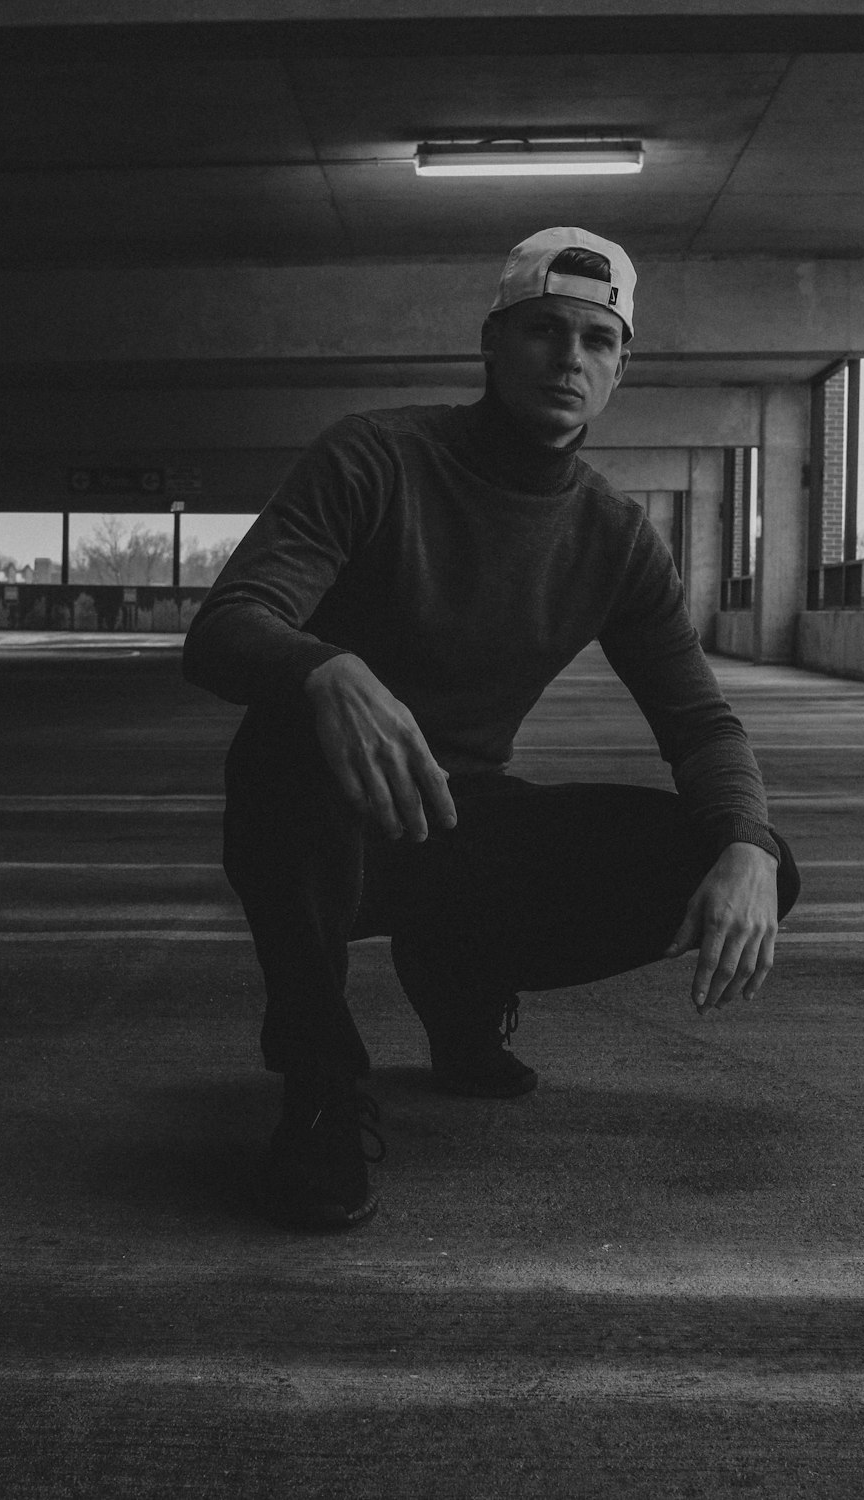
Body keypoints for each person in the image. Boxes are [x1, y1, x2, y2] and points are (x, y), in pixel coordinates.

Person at [183, 226, 800, 1234]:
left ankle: (459, 972)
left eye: (598, 341)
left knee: (747, 855)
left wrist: (745, 845)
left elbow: (700, 723)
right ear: (491, 343)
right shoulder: (375, 456)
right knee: (284, 741)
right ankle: (319, 1085)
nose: (570, 359)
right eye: (544, 331)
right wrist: (324, 667)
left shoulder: (612, 534)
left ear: (619, 367)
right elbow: (226, 628)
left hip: (454, 816)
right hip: (317, 822)